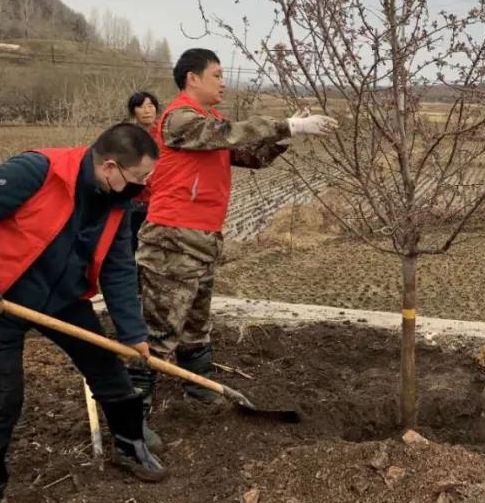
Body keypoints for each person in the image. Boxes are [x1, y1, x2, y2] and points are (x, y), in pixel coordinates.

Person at [133, 48, 335, 440]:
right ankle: (133, 411)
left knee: (195, 320)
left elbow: (249, 156)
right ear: (192, 78)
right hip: (172, 239)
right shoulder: (180, 118)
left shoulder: (211, 122)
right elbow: (228, 136)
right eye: (217, 75)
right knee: (160, 328)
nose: (223, 83)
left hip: (204, 238)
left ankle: (198, 384)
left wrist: (285, 141)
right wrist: (287, 125)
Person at [0, 124, 167, 503]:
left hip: (62, 298)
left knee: (109, 370)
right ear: (110, 166)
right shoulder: (37, 172)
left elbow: (119, 265)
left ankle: (130, 448)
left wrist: (132, 332)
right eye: (139, 177)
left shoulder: (116, 201)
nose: (143, 186)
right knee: (1, 396)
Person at [126, 91, 162, 252]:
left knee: (154, 247)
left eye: (150, 105)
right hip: (132, 199)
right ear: (133, 111)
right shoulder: (127, 135)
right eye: (141, 106)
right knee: (130, 242)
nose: (147, 110)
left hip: (158, 199)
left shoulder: (166, 135)